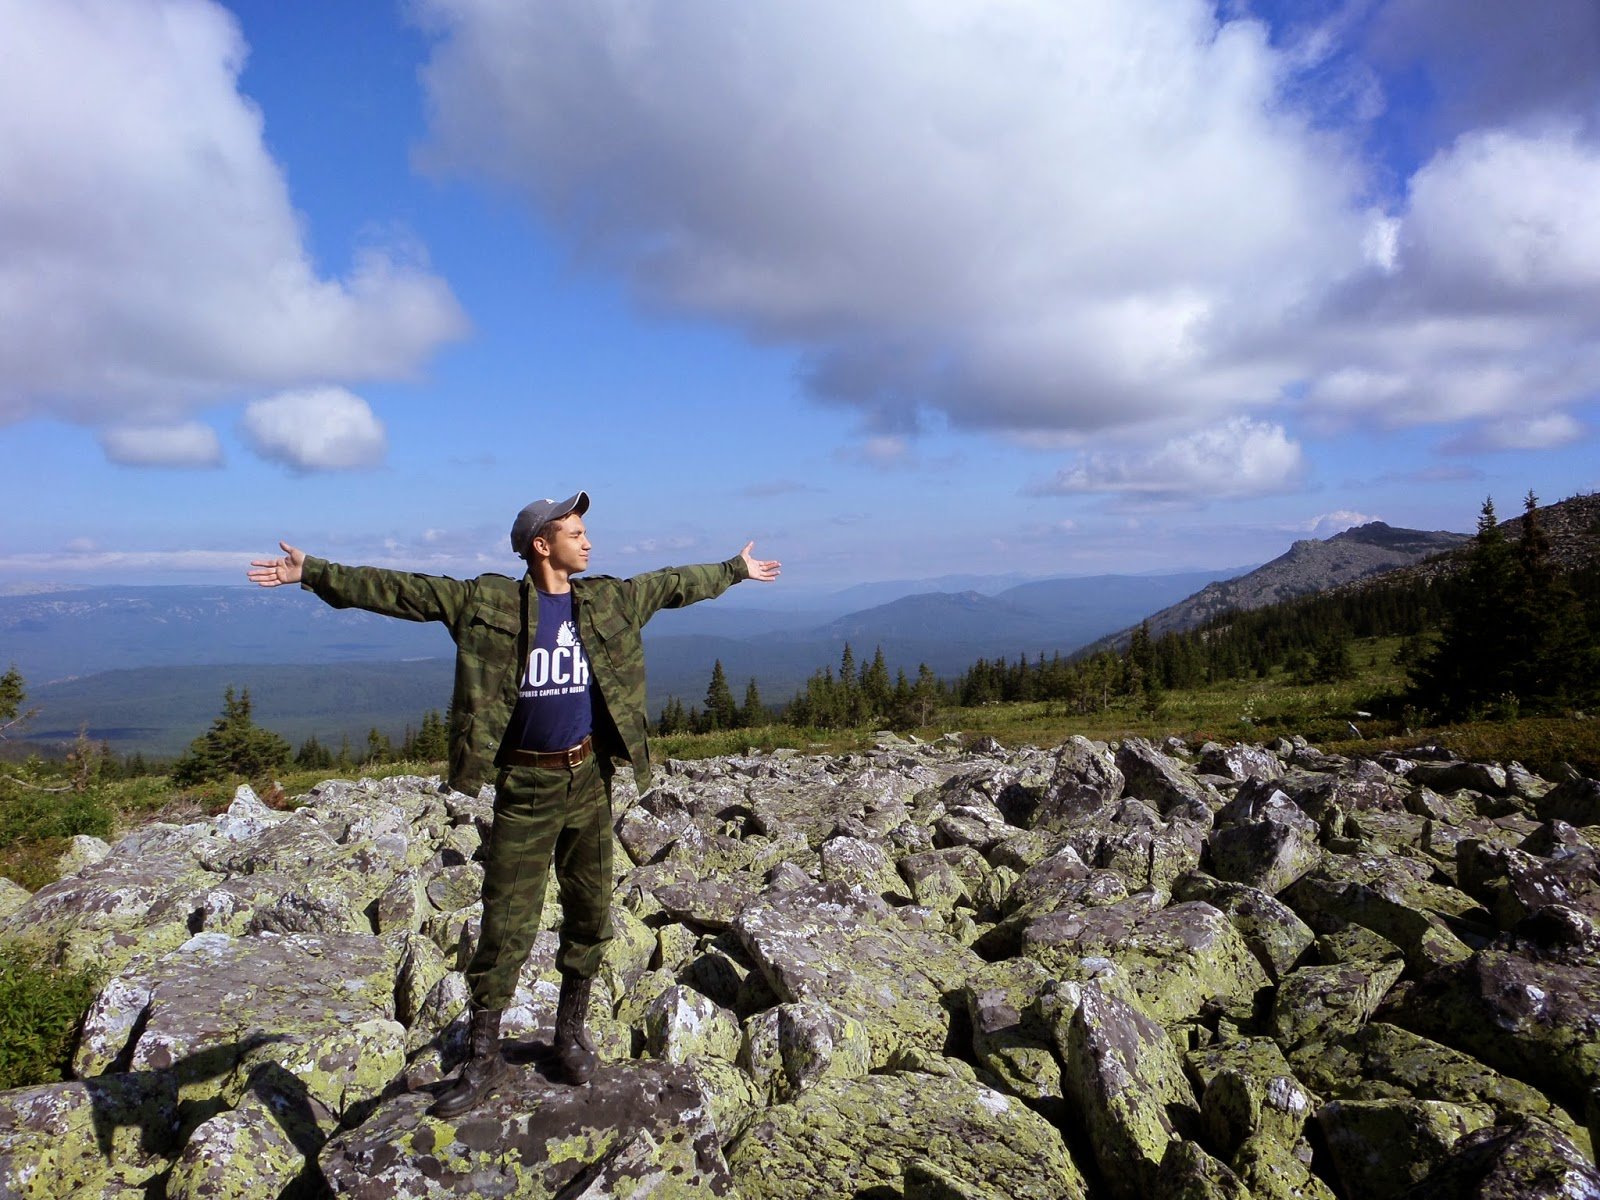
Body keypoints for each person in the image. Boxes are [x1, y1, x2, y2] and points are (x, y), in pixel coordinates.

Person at [248, 491, 780, 1116]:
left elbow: (672, 584)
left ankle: (570, 1036)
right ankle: (481, 1061)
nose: (588, 541)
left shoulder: (608, 599)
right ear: (541, 544)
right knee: (506, 924)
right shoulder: (488, 603)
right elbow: (400, 591)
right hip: (526, 787)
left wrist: (734, 570)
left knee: (590, 911)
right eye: (576, 532)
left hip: (589, 780)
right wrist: (312, 572)